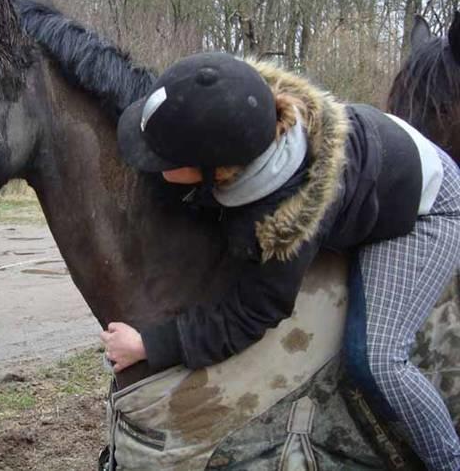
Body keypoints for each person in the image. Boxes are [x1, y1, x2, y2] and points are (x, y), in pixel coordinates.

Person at [100, 52, 460, 470]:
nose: (147, 160)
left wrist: (150, 344)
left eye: (161, 159)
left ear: (216, 169)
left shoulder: (287, 218)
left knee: (377, 358)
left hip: (432, 205)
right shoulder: (242, 111)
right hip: (384, 158)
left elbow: (255, 310)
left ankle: (448, 458)